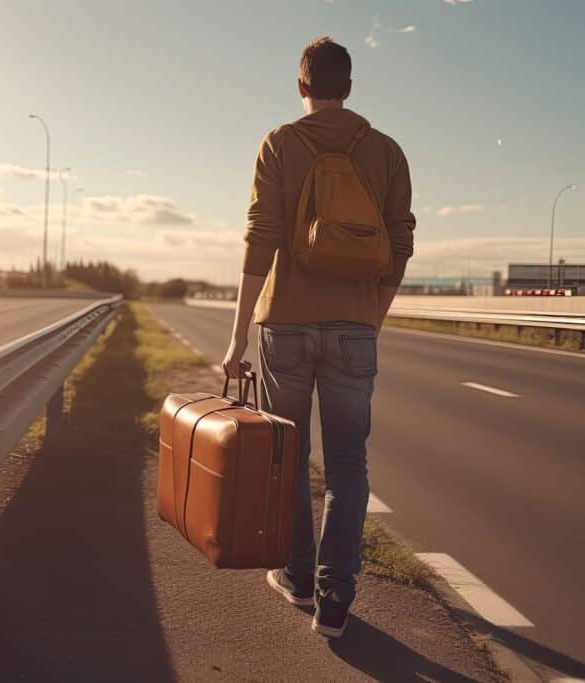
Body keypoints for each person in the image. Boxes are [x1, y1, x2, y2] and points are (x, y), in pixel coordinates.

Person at [222, 37, 416, 638]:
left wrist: (236, 340)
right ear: (350, 88)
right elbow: (400, 244)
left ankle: (298, 576)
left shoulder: (280, 144)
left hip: (284, 324)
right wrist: (370, 318)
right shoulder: (385, 152)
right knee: (348, 462)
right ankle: (336, 598)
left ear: (300, 86)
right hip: (355, 327)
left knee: (288, 456)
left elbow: (261, 238)